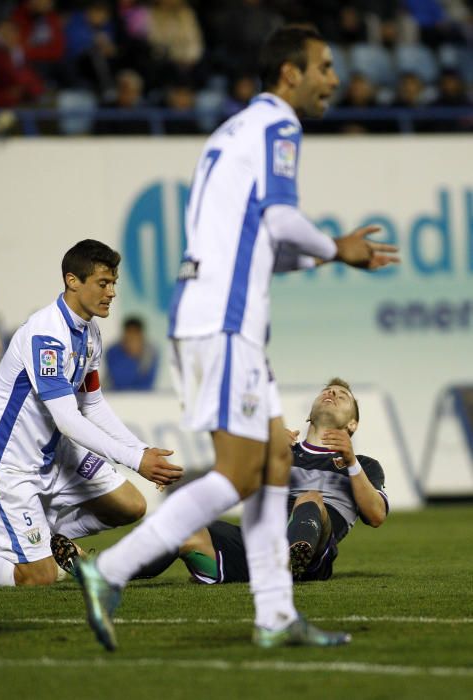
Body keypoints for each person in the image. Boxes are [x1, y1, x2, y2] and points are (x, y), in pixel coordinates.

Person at [74, 24, 399, 652]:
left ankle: (276, 614)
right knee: (243, 471)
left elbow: (262, 248)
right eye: (324, 67)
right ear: (289, 74)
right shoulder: (279, 127)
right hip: (224, 322)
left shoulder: (231, 134)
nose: (333, 78)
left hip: (217, 313)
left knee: (275, 459)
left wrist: (327, 259)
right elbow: (279, 220)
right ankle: (108, 571)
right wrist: (340, 247)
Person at [0, 240, 183, 589]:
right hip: (10, 464)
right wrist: (136, 460)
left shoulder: (90, 333)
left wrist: (139, 450)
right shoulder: (46, 335)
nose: (112, 293)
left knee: (130, 505)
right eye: (103, 283)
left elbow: (91, 403)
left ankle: (45, 540)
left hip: (56, 454)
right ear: (72, 280)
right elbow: (67, 418)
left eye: (114, 283)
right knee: (37, 577)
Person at [67, 378, 385, 584]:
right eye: (327, 391)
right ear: (309, 414)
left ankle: (289, 561)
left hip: (312, 555)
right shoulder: (279, 448)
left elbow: (375, 515)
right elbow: (235, 488)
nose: (332, 394)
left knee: (311, 499)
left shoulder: (365, 466)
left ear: (353, 423)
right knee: (183, 528)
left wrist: (353, 463)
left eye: (342, 396)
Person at [104, 316, 158, 391]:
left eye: (135, 335)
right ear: (124, 335)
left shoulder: (151, 352)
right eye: (130, 335)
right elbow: (118, 382)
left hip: (142, 399)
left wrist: (137, 355)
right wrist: (130, 357)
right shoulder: (112, 351)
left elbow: (147, 384)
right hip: (115, 397)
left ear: (141, 336)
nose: (132, 339)